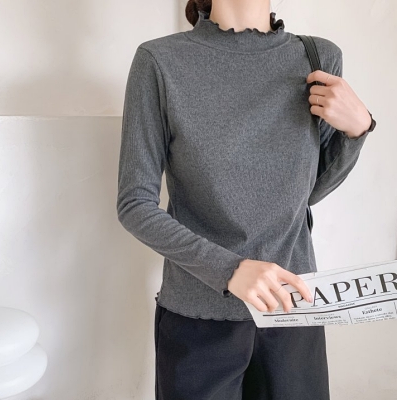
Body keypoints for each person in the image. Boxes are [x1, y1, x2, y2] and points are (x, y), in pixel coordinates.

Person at [116, 0, 376, 399]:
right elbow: (135, 204)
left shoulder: (318, 58)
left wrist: (357, 133)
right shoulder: (160, 61)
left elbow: (304, 194)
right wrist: (229, 269)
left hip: (293, 309)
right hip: (198, 320)